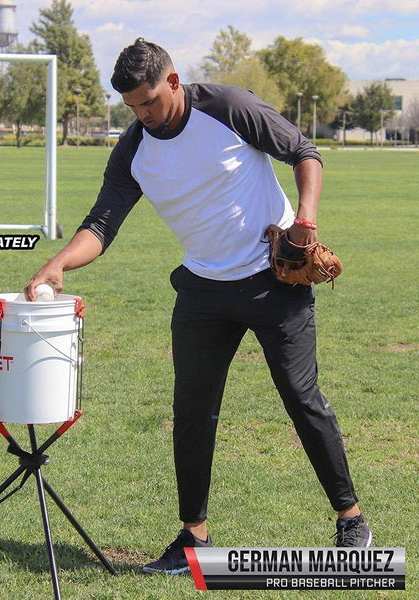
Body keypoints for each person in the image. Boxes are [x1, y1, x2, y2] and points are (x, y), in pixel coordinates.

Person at [24, 38, 372, 575]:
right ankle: (193, 540)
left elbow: (305, 152)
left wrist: (306, 218)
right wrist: (60, 264)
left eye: (150, 102)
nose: (144, 115)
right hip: (203, 290)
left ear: (174, 82)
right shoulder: (134, 149)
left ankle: (352, 523)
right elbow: (101, 224)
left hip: (273, 280)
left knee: (302, 398)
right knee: (191, 411)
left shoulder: (229, 108)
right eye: (133, 108)